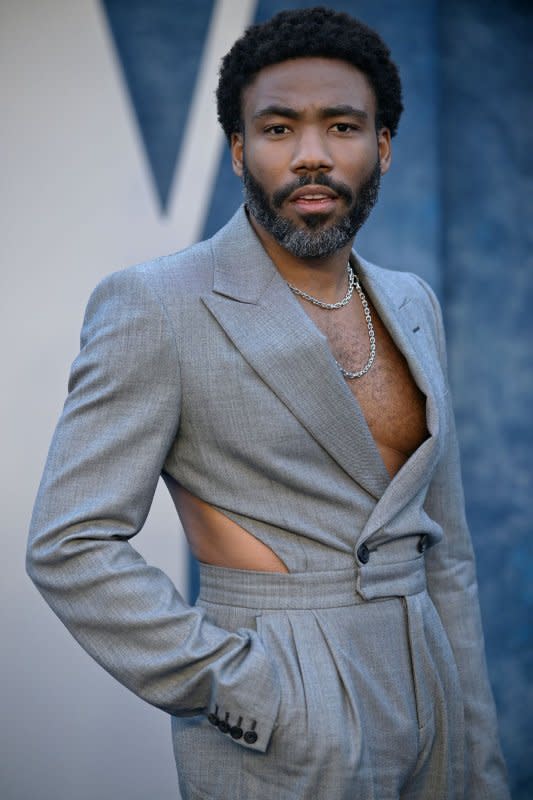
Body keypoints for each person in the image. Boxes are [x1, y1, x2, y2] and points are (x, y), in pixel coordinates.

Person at [27, 7, 510, 799]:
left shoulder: (410, 301)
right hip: (288, 706)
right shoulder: (157, 305)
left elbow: (445, 553)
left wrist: (475, 754)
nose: (311, 156)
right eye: (279, 129)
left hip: (433, 696)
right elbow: (69, 543)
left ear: (381, 146)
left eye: (342, 127)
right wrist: (238, 687)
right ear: (237, 148)